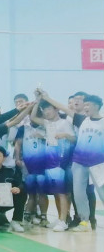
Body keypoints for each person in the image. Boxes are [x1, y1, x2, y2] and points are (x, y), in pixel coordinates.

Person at [38, 90, 103, 232]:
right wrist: (47, 97)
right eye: (85, 105)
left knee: (102, 192)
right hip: (79, 161)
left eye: (88, 105)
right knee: (78, 193)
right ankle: (84, 222)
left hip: (98, 163)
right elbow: (63, 108)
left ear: (97, 106)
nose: (85, 107)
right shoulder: (82, 119)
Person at [29, 98, 75, 232]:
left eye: (48, 109)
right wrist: (37, 101)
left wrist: (65, 135)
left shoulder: (65, 123)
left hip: (60, 162)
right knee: (56, 192)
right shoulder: (47, 123)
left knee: (62, 192)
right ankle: (61, 218)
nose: (46, 112)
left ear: (56, 109)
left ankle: (64, 220)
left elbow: (74, 139)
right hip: (49, 162)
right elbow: (33, 117)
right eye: (44, 110)